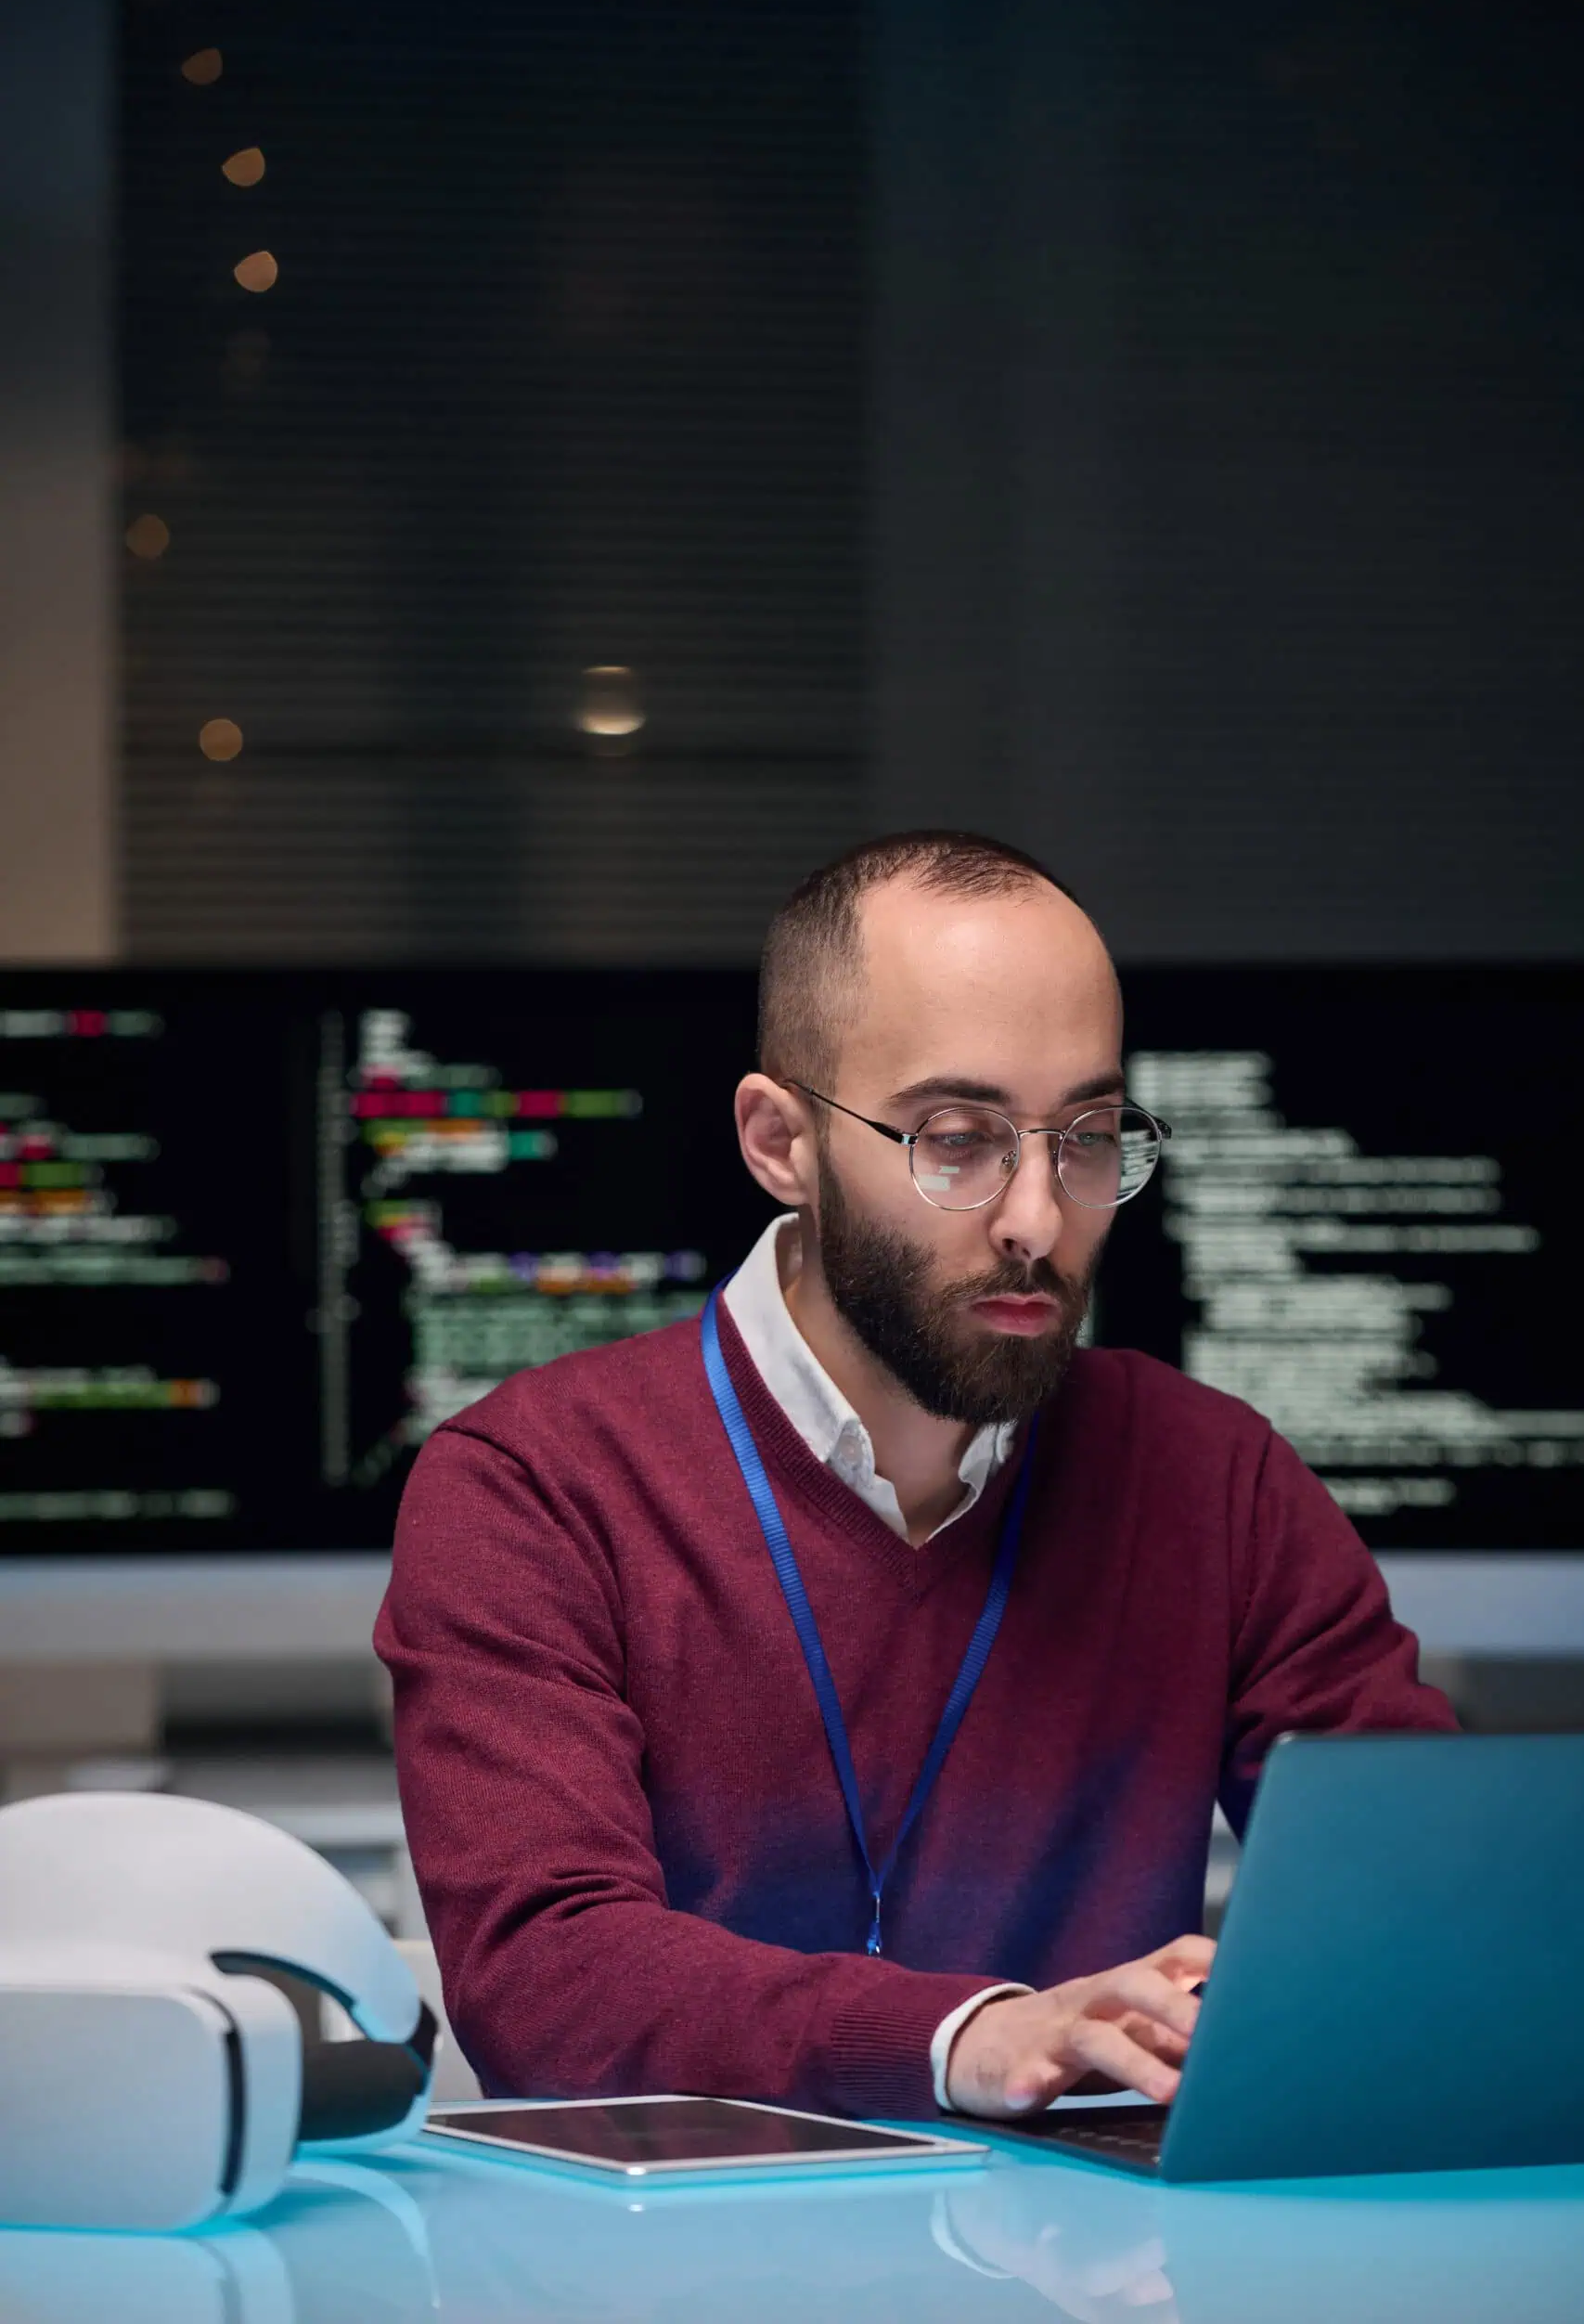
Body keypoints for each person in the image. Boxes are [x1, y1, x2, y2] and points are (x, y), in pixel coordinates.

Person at [376, 832, 1455, 2123]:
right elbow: (547, 1983)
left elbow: (1428, 1912)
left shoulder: (1212, 1478)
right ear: (779, 1142)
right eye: (958, 1139)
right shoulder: (532, 1485)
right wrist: (967, 2036)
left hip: (1100, 2274)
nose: (1036, 1219)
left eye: (1090, 1136)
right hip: (685, 2279)